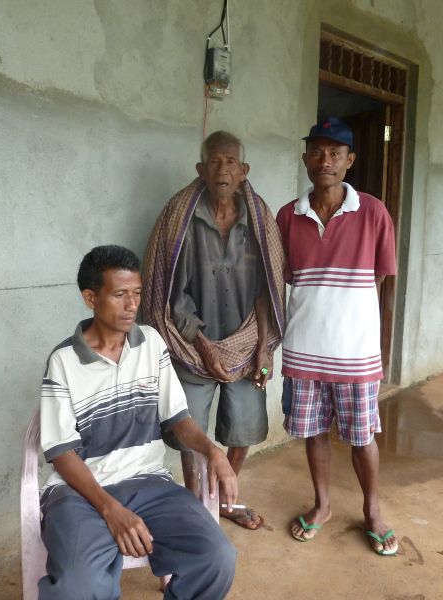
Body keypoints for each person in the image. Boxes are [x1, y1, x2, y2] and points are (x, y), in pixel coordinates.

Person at [38, 245, 238, 599]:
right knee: (77, 587)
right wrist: (110, 509)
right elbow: (62, 452)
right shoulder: (64, 361)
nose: (132, 305)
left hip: (148, 483)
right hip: (80, 493)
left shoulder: (151, 343)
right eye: (119, 295)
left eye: (137, 293)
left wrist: (213, 451)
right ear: (90, 298)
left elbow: (178, 419)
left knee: (217, 557)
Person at [142, 131, 286, 530]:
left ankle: (225, 497)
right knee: (188, 428)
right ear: (201, 169)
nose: (223, 169)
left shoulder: (258, 220)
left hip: (246, 343)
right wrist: (202, 345)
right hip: (191, 342)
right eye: (215, 162)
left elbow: (267, 289)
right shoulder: (180, 217)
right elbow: (169, 293)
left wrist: (262, 346)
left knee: (245, 427)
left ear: (244, 171)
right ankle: (195, 502)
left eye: (231, 162)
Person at [275, 117, 399, 556]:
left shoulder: (373, 212)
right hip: (304, 351)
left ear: (350, 161)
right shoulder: (288, 216)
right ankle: (323, 505)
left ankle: (372, 511)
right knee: (314, 434)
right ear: (305, 158)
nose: (324, 160)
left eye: (334, 153)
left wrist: (355, 322)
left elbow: (380, 276)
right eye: (316, 152)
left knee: (362, 437)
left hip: (355, 353)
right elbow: (286, 277)